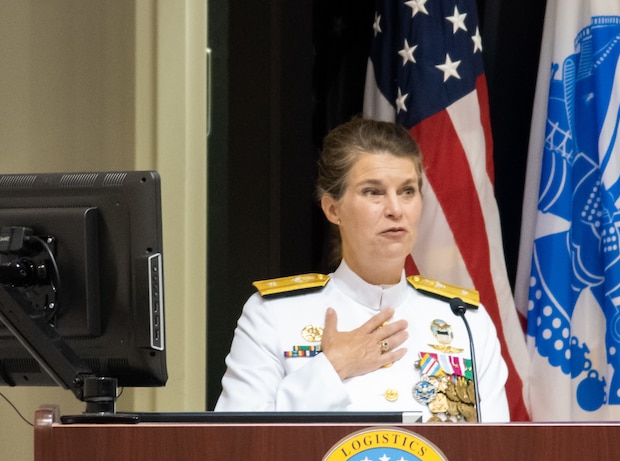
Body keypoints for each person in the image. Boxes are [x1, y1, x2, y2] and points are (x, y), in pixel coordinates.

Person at [216, 116, 511, 420]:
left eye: (407, 191)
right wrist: (332, 368)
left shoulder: (464, 321)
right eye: (373, 192)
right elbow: (238, 445)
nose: (395, 209)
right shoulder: (273, 315)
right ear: (333, 209)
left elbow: (495, 455)